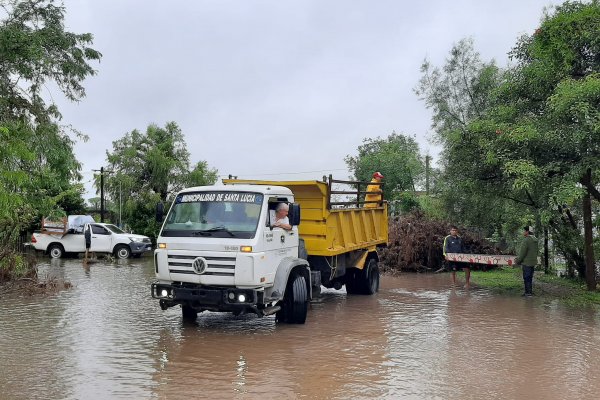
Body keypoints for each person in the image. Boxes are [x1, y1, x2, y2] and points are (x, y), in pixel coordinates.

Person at [515, 226, 539, 297]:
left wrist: (518, 261)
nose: (523, 232)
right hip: (532, 262)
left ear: (527, 232)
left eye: (524, 231)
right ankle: (529, 292)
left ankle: (528, 294)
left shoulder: (526, 240)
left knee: (526, 277)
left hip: (526, 262)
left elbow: (522, 253)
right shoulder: (535, 240)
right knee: (530, 277)